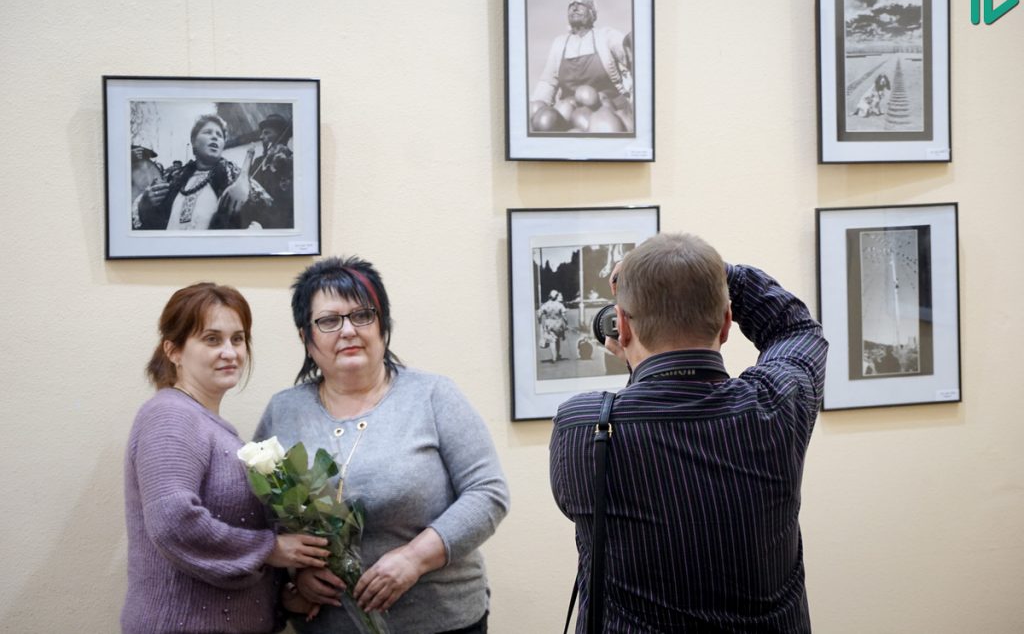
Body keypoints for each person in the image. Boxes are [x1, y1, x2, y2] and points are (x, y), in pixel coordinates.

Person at [549, 233, 828, 632]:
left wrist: (635, 357)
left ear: (622, 325)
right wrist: (721, 275)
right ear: (728, 322)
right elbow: (795, 329)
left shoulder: (582, 425)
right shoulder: (777, 407)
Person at [254, 257, 510, 633]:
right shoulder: (284, 411)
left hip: (440, 621)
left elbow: (488, 493)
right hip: (330, 624)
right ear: (305, 337)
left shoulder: (433, 395)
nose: (348, 331)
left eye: (362, 315)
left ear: (383, 324)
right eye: (328, 320)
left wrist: (414, 559)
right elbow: (264, 518)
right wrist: (296, 576)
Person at [122, 282, 331, 634]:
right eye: (212, 339)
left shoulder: (216, 429)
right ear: (173, 351)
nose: (230, 352)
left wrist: (284, 596)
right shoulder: (170, 416)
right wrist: (270, 549)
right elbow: (174, 522)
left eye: (238, 339)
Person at [133, 114, 272, 230]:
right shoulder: (172, 177)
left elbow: (268, 212)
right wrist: (145, 206)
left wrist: (253, 229)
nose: (215, 137)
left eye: (219, 135)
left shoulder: (235, 176)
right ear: (193, 142)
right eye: (208, 132)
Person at [531, 0, 633, 118]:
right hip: (571, 115)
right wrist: (536, 110)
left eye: (581, 4)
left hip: (613, 110)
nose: (575, 7)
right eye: (571, 5)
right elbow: (548, 82)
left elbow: (632, 56)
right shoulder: (559, 43)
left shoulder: (606, 36)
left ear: (592, 13)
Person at [243, 112, 295, 229]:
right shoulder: (257, 162)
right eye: (262, 133)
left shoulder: (292, 162)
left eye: (267, 133)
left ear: (281, 135)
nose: (261, 137)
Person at [537, 289, 570, 362]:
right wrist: (566, 324)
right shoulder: (559, 305)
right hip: (558, 323)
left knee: (552, 340)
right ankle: (557, 354)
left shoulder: (545, 304)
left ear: (550, 296)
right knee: (557, 339)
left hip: (549, 323)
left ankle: (554, 357)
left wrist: (539, 321)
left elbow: (539, 313)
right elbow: (564, 316)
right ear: (556, 296)